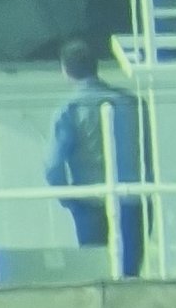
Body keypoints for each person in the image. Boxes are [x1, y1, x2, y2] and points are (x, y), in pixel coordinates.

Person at [43, 39, 145, 276]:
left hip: (89, 204)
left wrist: (69, 198)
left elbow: (53, 165)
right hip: (133, 200)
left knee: (97, 274)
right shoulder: (131, 103)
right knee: (130, 276)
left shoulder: (69, 109)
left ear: (65, 69)